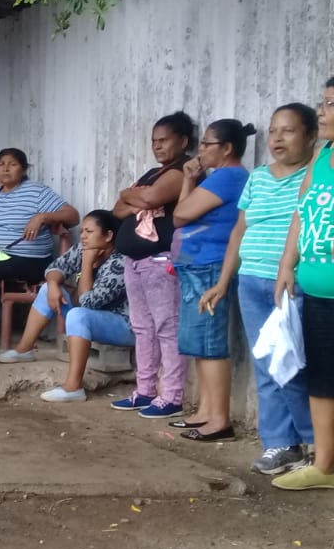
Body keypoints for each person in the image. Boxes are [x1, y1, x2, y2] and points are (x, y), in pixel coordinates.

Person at [200, 104, 316, 473]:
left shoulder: (315, 177)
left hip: (292, 283)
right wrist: (223, 282)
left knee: (294, 365)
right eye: (274, 131)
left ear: (311, 137)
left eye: (289, 131)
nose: (278, 138)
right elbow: (239, 230)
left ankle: (315, 441)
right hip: (250, 281)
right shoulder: (260, 177)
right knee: (267, 365)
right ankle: (280, 444)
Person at [161, 118, 254, 433]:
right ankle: (205, 411)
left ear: (226, 148)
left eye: (207, 144)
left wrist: (190, 181)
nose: (200, 151)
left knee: (210, 343)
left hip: (209, 266)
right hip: (197, 265)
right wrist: (192, 178)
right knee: (198, 343)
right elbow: (182, 214)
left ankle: (219, 420)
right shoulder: (216, 177)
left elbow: (181, 214)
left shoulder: (228, 177)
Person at [0, 211, 132, 401]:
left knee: (78, 315)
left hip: (124, 326)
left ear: (108, 236)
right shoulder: (84, 248)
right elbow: (54, 267)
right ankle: (24, 350)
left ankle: (74, 387)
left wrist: (86, 264)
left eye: (89, 231)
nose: (83, 236)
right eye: (82, 231)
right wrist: (52, 285)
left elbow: (87, 302)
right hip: (95, 317)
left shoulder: (119, 262)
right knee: (47, 291)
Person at [110, 112, 195, 419]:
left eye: (164, 140)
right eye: (153, 141)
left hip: (161, 260)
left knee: (166, 327)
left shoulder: (182, 170)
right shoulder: (151, 173)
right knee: (143, 328)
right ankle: (145, 390)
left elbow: (148, 200)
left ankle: (172, 395)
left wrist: (135, 196)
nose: (157, 146)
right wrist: (137, 196)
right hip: (135, 261)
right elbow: (119, 209)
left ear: (182, 141)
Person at [274, 78, 334, 490]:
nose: (323, 111)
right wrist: (287, 264)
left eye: (331, 104)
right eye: (323, 102)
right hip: (316, 290)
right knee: (322, 378)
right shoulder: (323, 155)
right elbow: (302, 212)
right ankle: (325, 466)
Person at [0, 148, 80, 296]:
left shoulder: (37, 192)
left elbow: (73, 216)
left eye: (12, 164)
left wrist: (42, 217)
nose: (6, 168)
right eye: (1, 164)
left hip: (29, 259)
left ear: (24, 169)